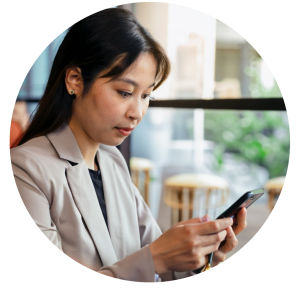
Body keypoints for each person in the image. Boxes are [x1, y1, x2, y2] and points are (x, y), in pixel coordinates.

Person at [10, 8, 247, 282]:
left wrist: (196, 255)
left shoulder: (112, 161)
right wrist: (157, 257)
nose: (137, 112)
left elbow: (159, 264)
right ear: (74, 80)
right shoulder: (24, 170)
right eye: (125, 92)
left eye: (147, 95)